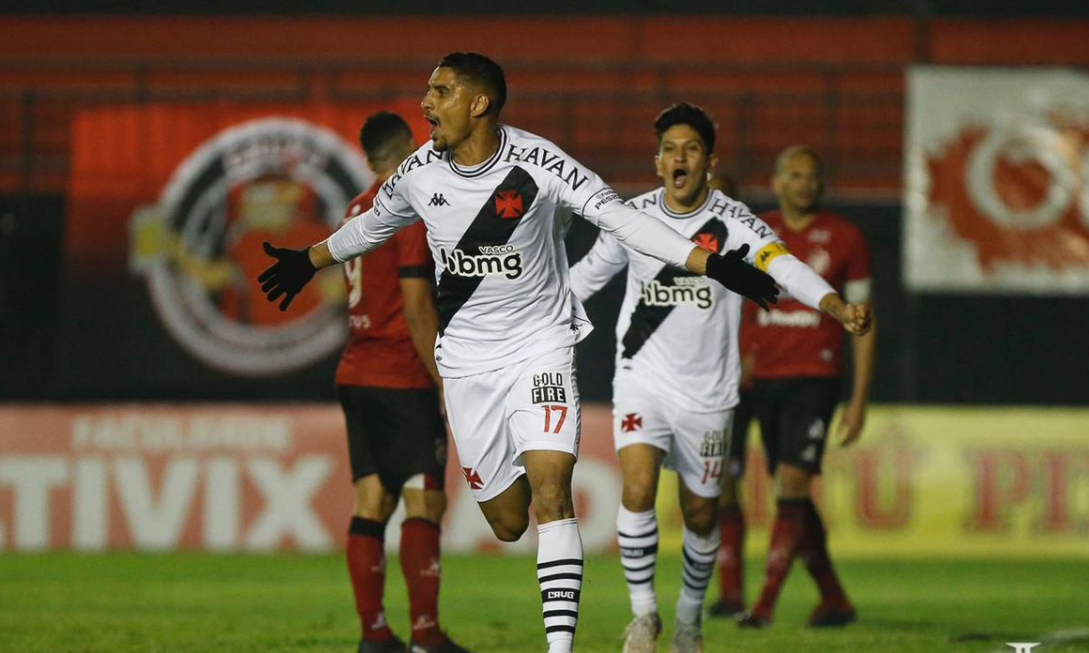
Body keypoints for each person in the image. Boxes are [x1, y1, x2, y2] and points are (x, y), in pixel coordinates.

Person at [257, 52, 783, 653]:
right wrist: (309, 259)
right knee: (509, 522)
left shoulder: (540, 163)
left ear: (478, 103)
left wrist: (711, 262)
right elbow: (372, 224)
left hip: (541, 348)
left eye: (441, 91)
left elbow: (623, 222)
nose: (426, 103)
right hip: (467, 366)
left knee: (552, 493)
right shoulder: (420, 172)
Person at [568, 105, 873, 653]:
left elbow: (783, 266)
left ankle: (688, 620)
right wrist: (519, 318)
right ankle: (644, 618)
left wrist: (833, 304)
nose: (678, 158)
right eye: (669, 149)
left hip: (709, 394)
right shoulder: (630, 216)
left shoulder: (734, 222)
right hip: (642, 379)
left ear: (709, 161)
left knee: (703, 511)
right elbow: (585, 278)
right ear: (657, 160)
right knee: (636, 489)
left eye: (690, 149)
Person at [712, 145, 877, 629]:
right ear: (778, 181)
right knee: (763, 486)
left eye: (812, 175)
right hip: (755, 379)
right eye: (795, 175)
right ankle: (830, 597)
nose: (805, 183)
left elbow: (865, 320)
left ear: (821, 184)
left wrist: (859, 398)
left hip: (814, 378)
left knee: (792, 484)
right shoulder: (757, 231)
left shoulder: (846, 238)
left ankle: (761, 607)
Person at [336, 111, 471, 653]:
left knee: (372, 497)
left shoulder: (355, 207)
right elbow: (417, 308)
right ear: (413, 148)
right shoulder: (409, 209)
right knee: (424, 499)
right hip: (400, 373)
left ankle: (374, 635)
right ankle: (426, 637)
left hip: (355, 370)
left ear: (370, 162)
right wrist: (443, 378)